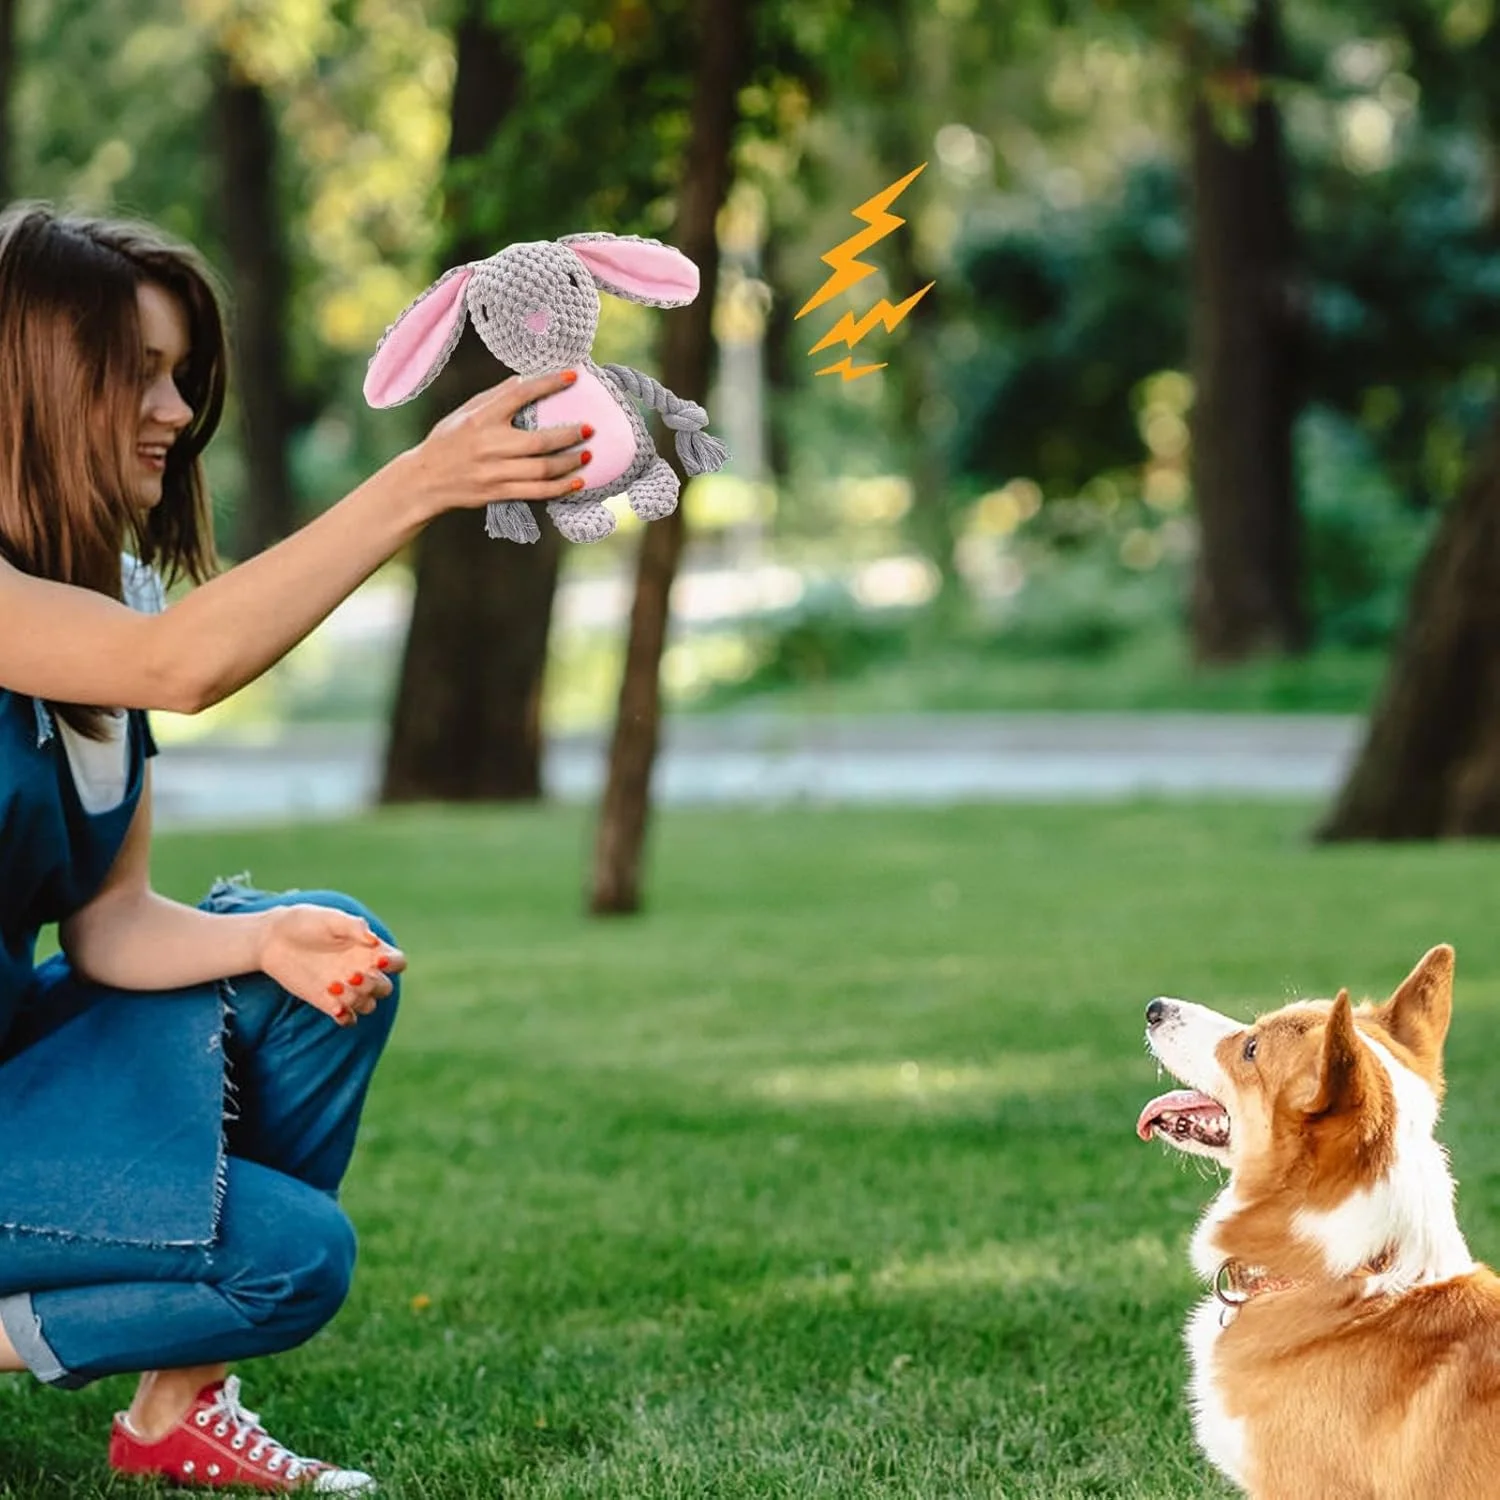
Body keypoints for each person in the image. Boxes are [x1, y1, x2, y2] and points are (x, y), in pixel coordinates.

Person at [0, 201, 592, 1493]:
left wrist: (267, 937)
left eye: (181, 375)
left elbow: (110, 925)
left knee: (323, 954)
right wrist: (424, 477)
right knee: (290, 1257)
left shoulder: (103, 600)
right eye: (139, 375)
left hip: (14, 1077)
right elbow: (187, 666)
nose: (177, 410)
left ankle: (170, 1419)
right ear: (40, 384)